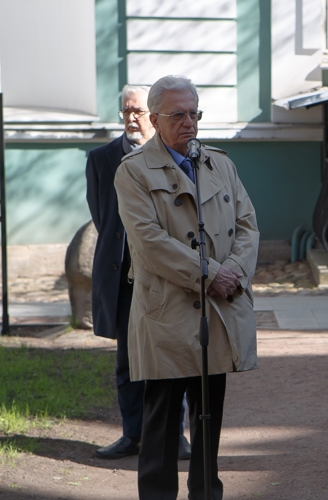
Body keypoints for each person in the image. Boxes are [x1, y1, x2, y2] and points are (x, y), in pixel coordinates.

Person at [114, 75, 259, 499]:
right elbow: (149, 241)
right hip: (167, 313)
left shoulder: (219, 164)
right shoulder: (133, 171)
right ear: (155, 118)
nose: (189, 123)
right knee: (161, 424)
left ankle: (206, 493)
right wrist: (210, 273)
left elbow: (248, 226)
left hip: (217, 309)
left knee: (208, 419)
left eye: (194, 114)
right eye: (178, 115)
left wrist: (233, 271)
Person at [85, 85, 191, 461]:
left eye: (138, 111)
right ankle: (133, 434)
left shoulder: (175, 155)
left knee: (171, 355)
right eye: (126, 111)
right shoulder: (101, 159)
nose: (131, 118)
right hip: (124, 278)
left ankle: (175, 435)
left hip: (167, 276)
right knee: (128, 361)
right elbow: (103, 217)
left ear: (155, 116)